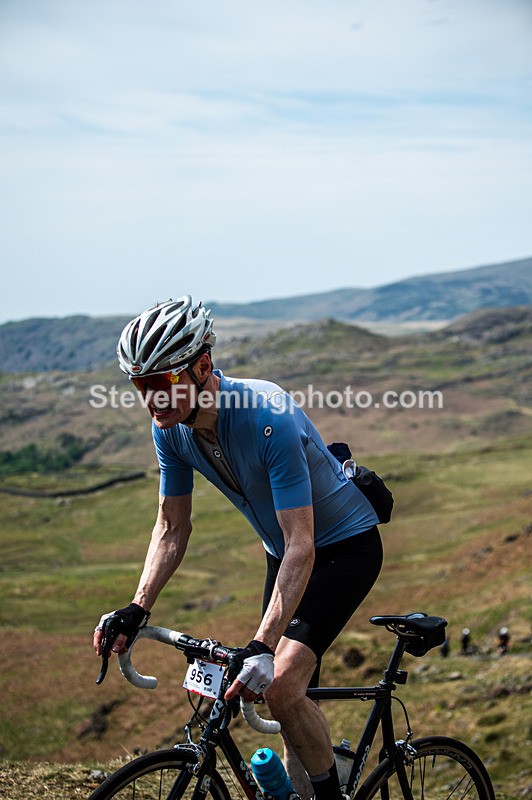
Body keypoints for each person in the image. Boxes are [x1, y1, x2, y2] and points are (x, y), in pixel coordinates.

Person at [93, 296, 383, 800]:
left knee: (281, 684)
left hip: (343, 548)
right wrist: (138, 607)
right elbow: (171, 527)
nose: (152, 400)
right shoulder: (171, 431)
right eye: (141, 386)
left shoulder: (267, 415)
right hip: (284, 553)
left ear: (202, 367)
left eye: (162, 383)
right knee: (287, 700)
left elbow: (302, 543)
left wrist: (264, 646)